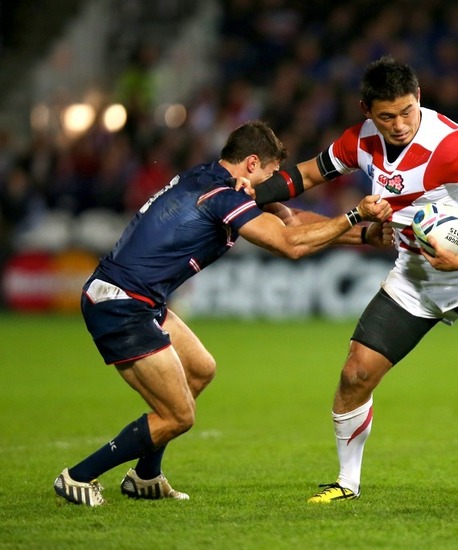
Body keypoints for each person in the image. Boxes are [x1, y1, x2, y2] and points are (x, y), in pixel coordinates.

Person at [248, 56, 458, 503]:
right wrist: (245, 195)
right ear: (366, 111)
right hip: (414, 277)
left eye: (406, 112)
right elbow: (304, 175)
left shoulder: (452, 144)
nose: (398, 125)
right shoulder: (359, 142)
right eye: (386, 116)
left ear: (418, 99)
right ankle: (346, 483)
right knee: (356, 374)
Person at [54, 120, 392, 506]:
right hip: (120, 302)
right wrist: (353, 216)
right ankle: (79, 476)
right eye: (270, 173)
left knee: (200, 369)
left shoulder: (210, 177)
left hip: (144, 298)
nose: (274, 182)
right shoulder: (221, 196)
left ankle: (145, 476)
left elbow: (292, 222)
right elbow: (289, 244)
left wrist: (365, 236)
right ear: (251, 163)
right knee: (178, 415)